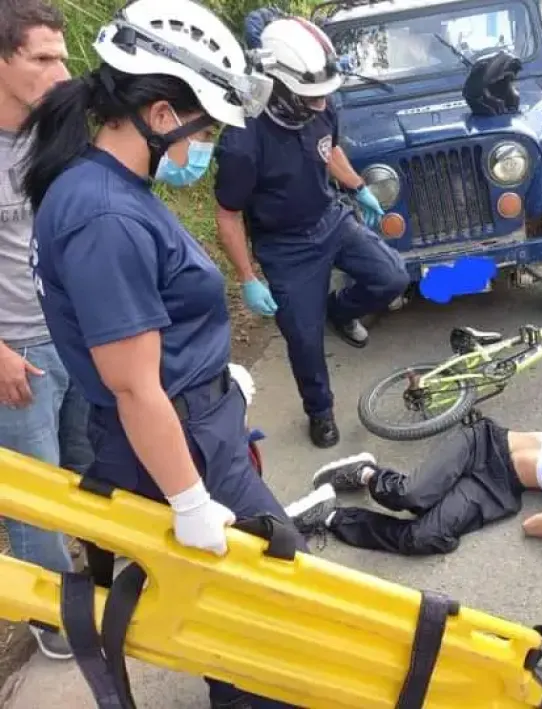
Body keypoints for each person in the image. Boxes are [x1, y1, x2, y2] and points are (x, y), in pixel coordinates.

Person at [20, 1, 307, 706]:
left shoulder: (110, 188)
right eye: (202, 128)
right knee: (263, 620)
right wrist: (188, 499)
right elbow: (134, 387)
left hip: (194, 422)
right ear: (157, 114)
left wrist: (213, 372)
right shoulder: (105, 214)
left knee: (241, 613)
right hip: (175, 442)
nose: (204, 145)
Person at [214, 15, 410, 449]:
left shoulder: (321, 103)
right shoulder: (243, 141)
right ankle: (319, 411)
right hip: (284, 248)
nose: (323, 103)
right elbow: (227, 215)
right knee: (303, 339)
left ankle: (338, 311)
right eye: (313, 95)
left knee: (392, 277)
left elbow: (329, 149)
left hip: (330, 220)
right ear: (278, 84)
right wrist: (248, 278)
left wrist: (357, 187)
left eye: (326, 94)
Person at [0, 0, 93, 661]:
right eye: (42, 57)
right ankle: (50, 615)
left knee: (85, 470)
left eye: (63, 56)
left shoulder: (51, 134)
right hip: (17, 353)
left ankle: (93, 577)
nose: (61, 72)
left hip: (72, 330)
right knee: (35, 495)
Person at [286, 416, 542, 556]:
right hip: (484, 444)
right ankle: (364, 473)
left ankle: (331, 516)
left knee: (425, 538)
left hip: (499, 488)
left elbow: (533, 527)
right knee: (411, 495)